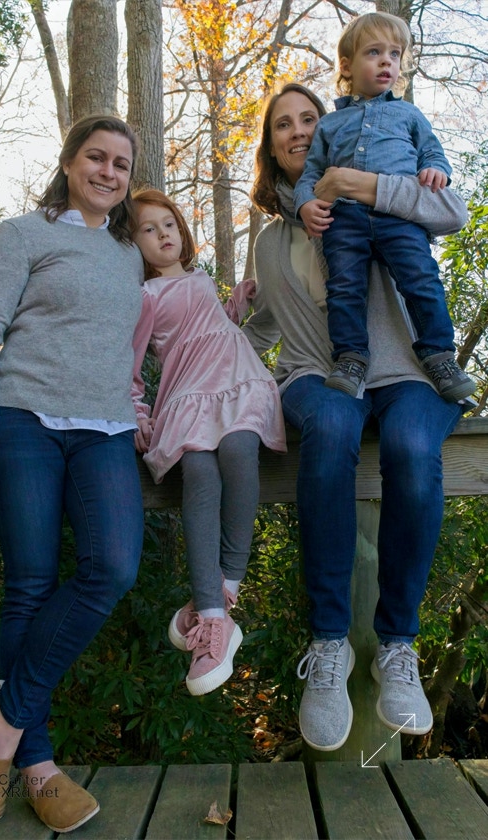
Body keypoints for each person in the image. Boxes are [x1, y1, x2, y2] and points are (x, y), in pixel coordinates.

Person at [242, 81, 471, 751]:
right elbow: (264, 326)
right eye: (282, 124)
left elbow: (453, 210)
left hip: (404, 373)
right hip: (317, 377)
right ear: (271, 146)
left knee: (410, 447)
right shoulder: (270, 240)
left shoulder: (382, 190)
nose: (297, 130)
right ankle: (328, 644)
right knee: (335, 424)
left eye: (307, 118)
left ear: (331, 129)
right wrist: (205, 337)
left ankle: (397, 646)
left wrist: (361, 185)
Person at [0, 115, 146, 832]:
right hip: (23, 421)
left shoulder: (128, 253)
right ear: (68, 162)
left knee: (112, 567)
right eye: (96, 157)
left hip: (105, 431)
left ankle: (2, 720)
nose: (108, 172)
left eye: (121, 164)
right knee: (29, 584)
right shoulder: (21, 234)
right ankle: (36, 765)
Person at [131, 189, 286, 696]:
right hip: (188, 396)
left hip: (237, 380)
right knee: (198, 473)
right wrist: (137, 412)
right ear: (134, 244)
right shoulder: (145, 297)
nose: (162, 234)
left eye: (168, 224)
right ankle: (213, 617)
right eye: (148, 229)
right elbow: (131, 365)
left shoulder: (198, 278)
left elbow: (214, 327)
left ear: (181, 230)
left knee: (240, 451)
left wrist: (236, 302)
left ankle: (224, 588)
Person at [293, 12, 475, 403]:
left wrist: (435, 169)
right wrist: (305, 203)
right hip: (345, 218)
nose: (386, 62)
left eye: (394, 54)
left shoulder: (409, 114)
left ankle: (439, 355)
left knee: (422, 279)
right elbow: (311, 174)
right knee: (344, 286)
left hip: (399, 218)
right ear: (346, 66)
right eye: (374, 52)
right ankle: (351, 357)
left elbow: (432, 152)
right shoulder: (329, 125)